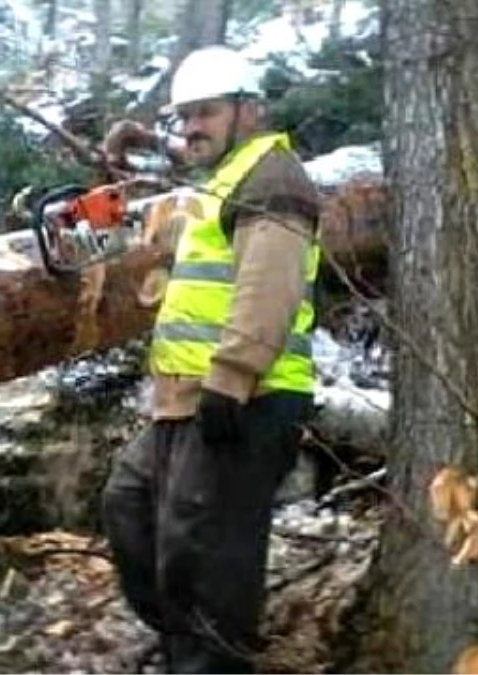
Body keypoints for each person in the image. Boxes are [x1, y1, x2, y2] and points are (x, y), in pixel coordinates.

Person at [99, 45, 323, 674]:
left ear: (249, 111)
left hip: (243, 398)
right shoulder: (228, 173)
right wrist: (140, 145)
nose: (192, 127)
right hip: (185, 399)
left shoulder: (273, 179)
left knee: (206, 560)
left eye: (207, 113)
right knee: (130, 505)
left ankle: (208, 660)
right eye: (185, 115)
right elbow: (188, 160)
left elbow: (268, 286)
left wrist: (232, 379)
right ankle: (182, 645)